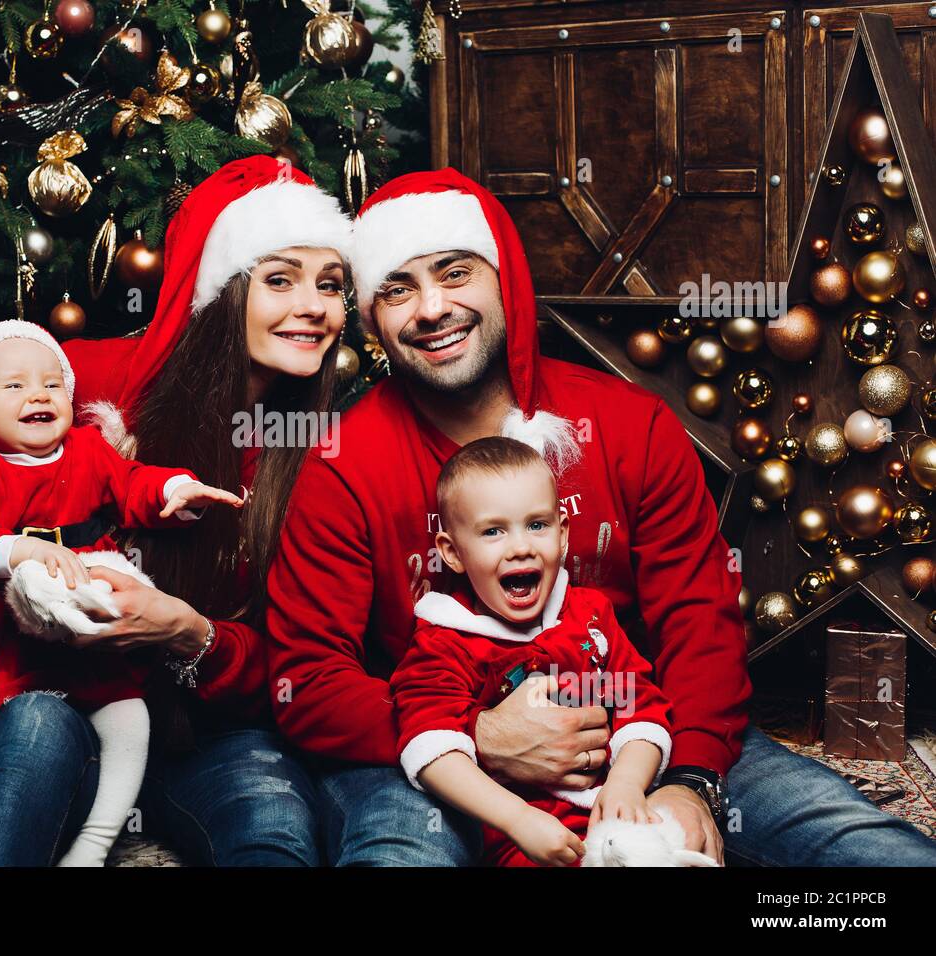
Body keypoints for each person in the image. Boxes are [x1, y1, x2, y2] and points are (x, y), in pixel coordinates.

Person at [266, 166, 936, 866]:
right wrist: (478, 735)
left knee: (868, 850)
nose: (431, 309)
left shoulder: (626, 424)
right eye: (397, 290)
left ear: (504, 280)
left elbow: (697, 621)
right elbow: (307, 680)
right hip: (436, 755)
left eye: (454, 272)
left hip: (638, 731)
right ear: (372, 320)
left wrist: (691, 777)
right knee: (399, 856)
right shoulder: (341, 463)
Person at [0, 155, 354, 865]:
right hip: (64, 692)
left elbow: (303, 659)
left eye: (331, 285)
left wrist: (190, 635)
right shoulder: (111, 379)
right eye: (279, 279)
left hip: (210, 729)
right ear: (224, 288)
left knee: (274, 829)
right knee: (31, 727)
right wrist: (0, 535)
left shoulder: (321, 450)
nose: (313, 305)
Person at [0, 320, 241, 866]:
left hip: (83, 627)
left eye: (52, 383)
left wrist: (178, 490)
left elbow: (134, 483)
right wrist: (20, 551)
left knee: (129, 722)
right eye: (14, 385)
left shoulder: (89, 450)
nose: (39, 393)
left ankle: (92, 846)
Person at [392, 436, 672, 867]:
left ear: (562, 533)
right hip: (521, 839)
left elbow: (641, 708)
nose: (520, 546)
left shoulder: (591, 615)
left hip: (614, 815)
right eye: (492, 531)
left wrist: (627, 786)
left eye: (537, 525)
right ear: (452, 552)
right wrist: (518, 820)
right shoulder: (443, 642)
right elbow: (432, 749)